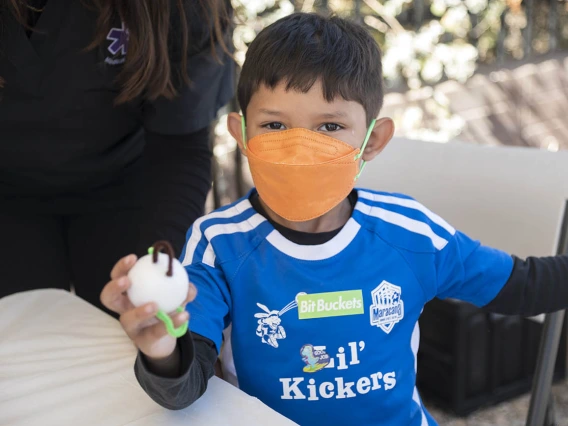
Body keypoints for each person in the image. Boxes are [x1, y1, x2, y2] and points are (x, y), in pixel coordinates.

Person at [100, 13, 568, 426]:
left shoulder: (410, 233)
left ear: (373, 140)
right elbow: (185, 386)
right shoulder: (218, 242)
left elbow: (525, 287)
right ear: (241, 134)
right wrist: (161, 349)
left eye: (329, 127)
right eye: (275, 125)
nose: (301, 147)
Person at [0, 0, 233, 311]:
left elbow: (180, 143)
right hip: (7, 192)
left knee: (129, 341)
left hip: (130, 184)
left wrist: (158, 268)